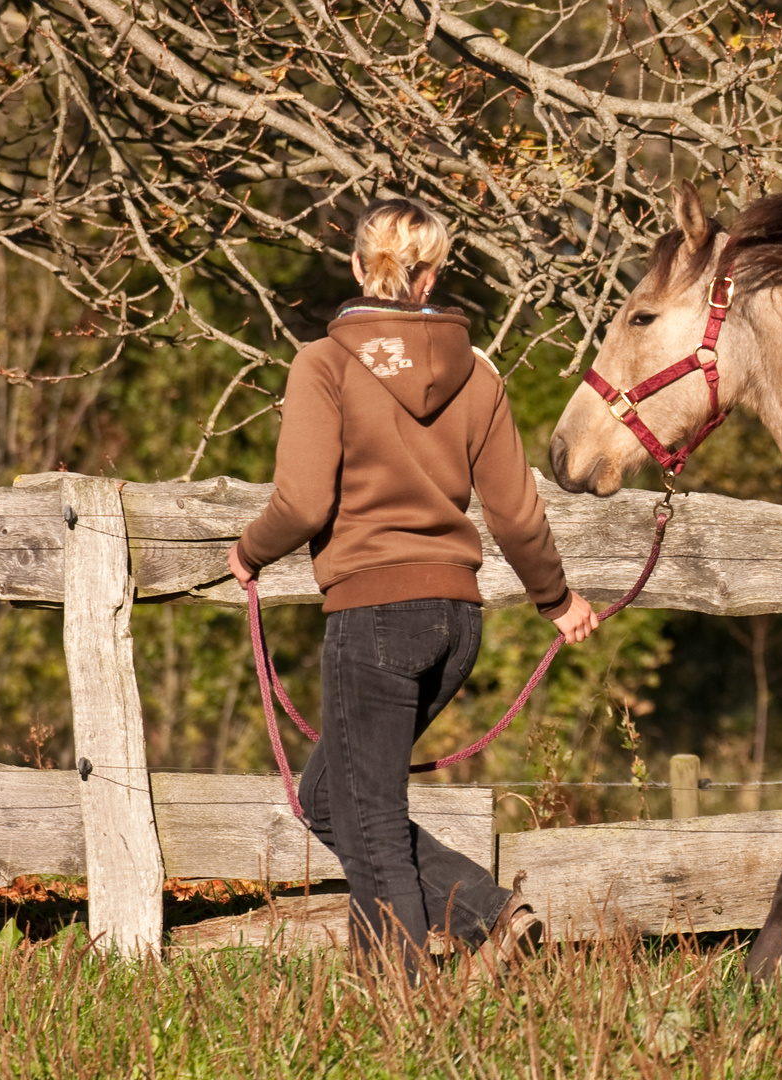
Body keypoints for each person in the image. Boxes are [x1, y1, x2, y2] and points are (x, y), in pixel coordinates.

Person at [226, 197, 598, 980]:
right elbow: (516, 513)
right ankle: (491, 917)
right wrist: (558, 602)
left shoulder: (323, 363)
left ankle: (396, 1011)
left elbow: (301, 505)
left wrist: (250, 553)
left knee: (369, 822)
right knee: (329, 799)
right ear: (434, 273)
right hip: (456, 621)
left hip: (372, 619)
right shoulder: (479, 371)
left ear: (359, 266)